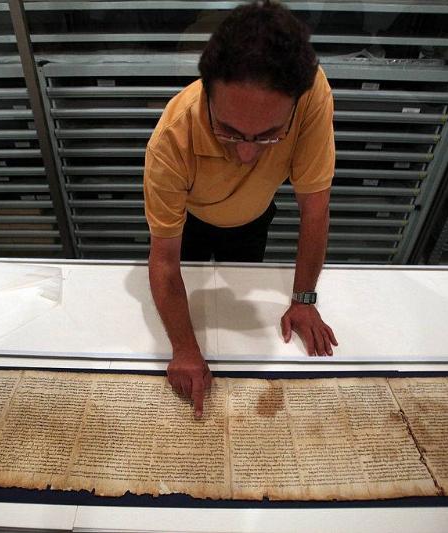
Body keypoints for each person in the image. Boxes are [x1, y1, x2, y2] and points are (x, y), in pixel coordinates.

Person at [144, 0, 337, 418]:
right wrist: (184, 349)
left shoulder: (311, 92)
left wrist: (304, 299)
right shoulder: (171, 139)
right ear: (207, 94)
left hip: (254, 218)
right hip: (192, 223)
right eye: (228, 132)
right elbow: (163, 261)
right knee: (192, 298)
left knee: (243, 282)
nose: (247, 154)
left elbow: (315, 208)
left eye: (269, 135)